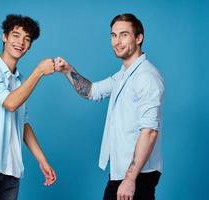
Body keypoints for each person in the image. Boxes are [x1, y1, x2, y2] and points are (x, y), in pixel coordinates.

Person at [55, 13, 164, 200]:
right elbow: (91, 91)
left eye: (124, 35)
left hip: (138, 175)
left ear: (139, 38)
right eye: (113, 35)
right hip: (122, 172)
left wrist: (130, 179)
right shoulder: (124, 74)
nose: (117, 41)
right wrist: (67, 70)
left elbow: (150, 131)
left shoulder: (146, 77)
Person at [0, 14, 57, 200]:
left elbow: (23, 123)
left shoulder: (20, 81)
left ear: (29, 46)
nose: (21, 42)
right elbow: (11, 103)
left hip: (11, 169)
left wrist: (42, 160)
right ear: (4, 37)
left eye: (27, 39)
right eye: (16, 35)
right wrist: (39, 71)